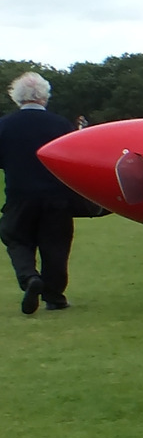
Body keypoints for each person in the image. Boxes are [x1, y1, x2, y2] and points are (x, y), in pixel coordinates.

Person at [0, 72, 78, 314]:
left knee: (15, 237)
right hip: (56, 196)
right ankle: (55, 296)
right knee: (55, 246)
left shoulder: (4, 125)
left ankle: (29, 277)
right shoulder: (62, 125)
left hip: (19, 194)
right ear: (44, 96)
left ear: (17, 97)